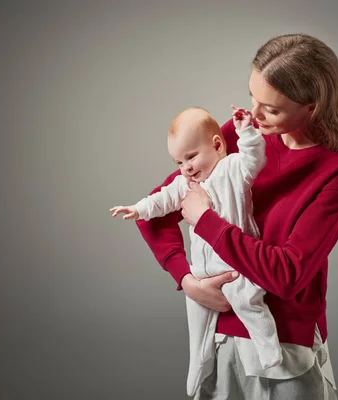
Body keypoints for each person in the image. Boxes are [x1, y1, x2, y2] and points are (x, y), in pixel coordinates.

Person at [137, 33, 338, 400]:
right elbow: (155, 209)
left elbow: (287, 274)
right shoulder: (240, 132)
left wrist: (206, 222)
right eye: (253, 98)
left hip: (286, 348)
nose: (255, 115)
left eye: (272, 109)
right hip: (219, 339)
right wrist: (187, 281)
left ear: (312, 106)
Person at [110, 106, 283, 396]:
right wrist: (137, 208)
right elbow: (161, 201)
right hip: (202, 270)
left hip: (236, 264)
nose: (186, 167)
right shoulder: (185, 183)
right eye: (179, 161)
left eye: (191, 157)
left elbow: (256, 159)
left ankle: (268, 350)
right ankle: (198, 362)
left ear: (217, 145)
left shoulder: (232, 168)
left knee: (248, 302)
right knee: (197, 316)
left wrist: (245, 131)